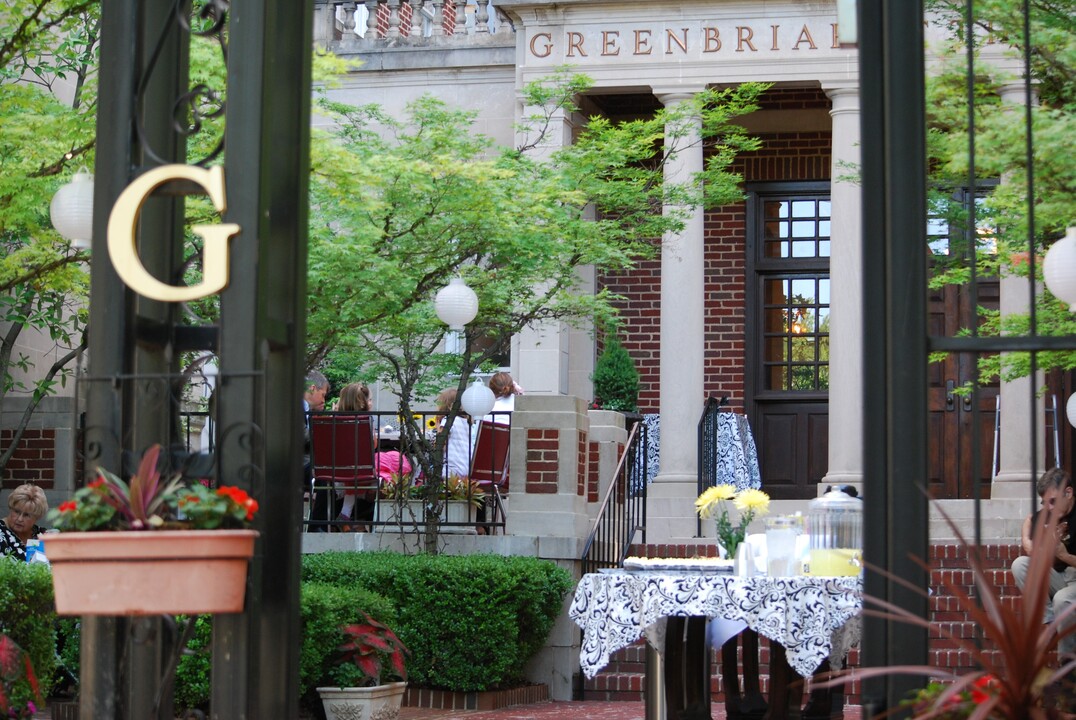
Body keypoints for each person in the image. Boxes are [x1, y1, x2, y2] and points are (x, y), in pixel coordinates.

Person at [1010, 467, 1076, 657]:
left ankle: (1067, 664)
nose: (1049, 508)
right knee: (1020, 564)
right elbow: (1031, 519)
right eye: (1045, 503)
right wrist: (1026, 538)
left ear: (1068, 493)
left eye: (1053, 501)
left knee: (1062, 598)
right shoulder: (1048, 512)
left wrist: (1063, 555)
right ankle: (1049, 623)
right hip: (1058, 577)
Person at [333, 382, 378, 529]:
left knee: (356, 470)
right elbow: (373, 446)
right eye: (369, 399)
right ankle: (361, 518)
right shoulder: (365, 421)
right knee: (383, 471)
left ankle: (347, 516)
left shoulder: (334, 420)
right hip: (362, 472)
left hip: (336, 472)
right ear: (363, 402)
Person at [303, 370, 334, 531]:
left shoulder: (306, 409)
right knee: (328, 475)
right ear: (312, 388)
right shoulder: (298, 406)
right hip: (297, 464)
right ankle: (317, 526)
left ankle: (319, 525)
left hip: (304, 462)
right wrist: (324, 432)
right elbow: (301, 436)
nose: (324, 399)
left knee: (329, 473)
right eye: (323, 394)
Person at [1, 484, 48, 561]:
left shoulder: (42, 536)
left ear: (36, 517)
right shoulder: (1, 533)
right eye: (16, 512)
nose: (20, 519)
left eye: (26, 515)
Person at [436, 388, 473, 480]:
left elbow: (440, 446)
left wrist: (437, 428)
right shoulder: (468, 423)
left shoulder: (448, 421)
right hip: (468, 469)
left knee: (429, 469)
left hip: (451, 471)